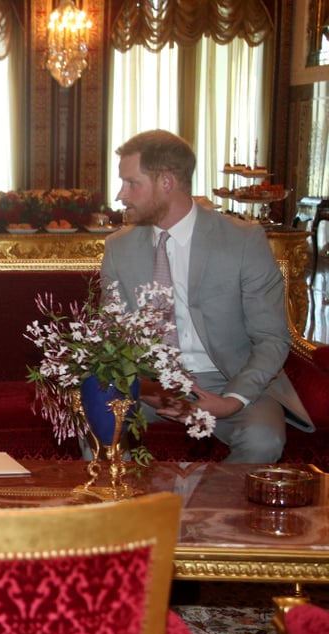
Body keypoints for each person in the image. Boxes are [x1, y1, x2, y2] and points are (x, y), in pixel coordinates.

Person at [103, 129, 314, 463]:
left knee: (263, 439)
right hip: (149, 384)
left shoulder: (242, 242)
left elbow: (272, 337)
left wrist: (232, 400)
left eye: (131, 183)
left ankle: (207, 514)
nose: (120, 194)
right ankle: (131, 512)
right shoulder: (119, 248)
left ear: (166, 182)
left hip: (230, 377)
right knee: (94, 421)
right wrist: (147, 387)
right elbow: (113, 338)